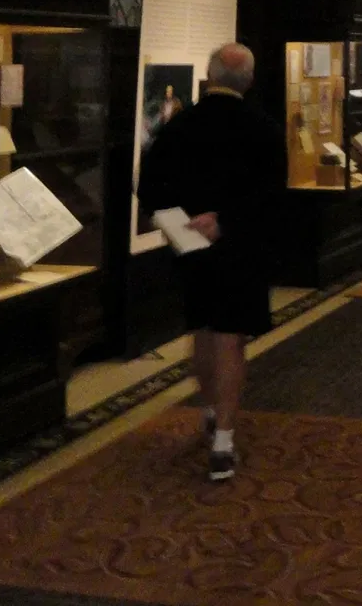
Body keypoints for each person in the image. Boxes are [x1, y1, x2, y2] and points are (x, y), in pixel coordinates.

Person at [137, 42, 286, 482]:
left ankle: (207, 410)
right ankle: (223, 440)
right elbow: (272, 196)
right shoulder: (263, 128)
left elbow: (149, 186)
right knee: (230, 337)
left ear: (210, 75)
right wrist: (224, 221)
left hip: (190, 249)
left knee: (201, 328)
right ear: (249, 81)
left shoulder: (181, 125)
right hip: (240, 248)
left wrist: (184, 224)